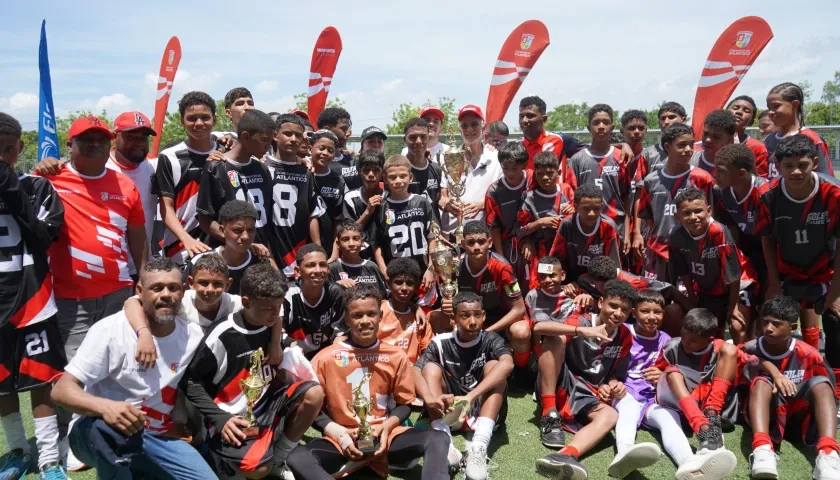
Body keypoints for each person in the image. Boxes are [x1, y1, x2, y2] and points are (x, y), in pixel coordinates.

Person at [50, 258, 216, 480]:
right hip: (100, 430)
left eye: (173, 287)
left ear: (183, 290)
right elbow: (61, 391)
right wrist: (106, 408)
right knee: (110, 432)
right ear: (139, 291)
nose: (166, 294)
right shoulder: (111, 330)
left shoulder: (192, 336)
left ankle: (139, 470)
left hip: (158, 437)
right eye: (156, 288)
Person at [288, 284, 450, 479]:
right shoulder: (325, 358)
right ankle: (356, 463)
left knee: (438, 439)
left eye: (371, 314)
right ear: (347, 319)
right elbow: (314, 410)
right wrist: (340, 434)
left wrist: (386, 428)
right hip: (341, 440)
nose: (365, 321)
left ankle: (370, 462)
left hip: (385, 435)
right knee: (297, 458)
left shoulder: (396, 356)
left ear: (380, 316)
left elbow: (404, 404)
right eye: (357, 316)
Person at [184, 263, 323, 480]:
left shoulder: (270, 324)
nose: (275, 314)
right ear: (246, 303)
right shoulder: (221, 337)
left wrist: (283, 343)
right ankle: (223, 458)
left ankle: (279, 457)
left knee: (315, 393)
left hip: (267, 403)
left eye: (278, 307)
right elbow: (190, 381)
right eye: (268, 308)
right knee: (258, 470)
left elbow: (280, 325)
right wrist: (221, 419)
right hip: (233, 416)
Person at [41, 116, 147, 363]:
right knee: (75, 369)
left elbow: (138, 236)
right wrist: (43, 166)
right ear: (70, 145)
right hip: (69, 298)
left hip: (118, 293)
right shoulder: (48, 180)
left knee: (117, 363)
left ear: (110, 145)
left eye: (102, 139)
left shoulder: (125, 185)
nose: (95, 144)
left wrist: (144, 276)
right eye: (87, 139)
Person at [0, 112, 67, 479]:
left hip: (33, 301)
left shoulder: (37, 187)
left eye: (8, 150)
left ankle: (49, 458)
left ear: (19, 148)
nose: (2, 159)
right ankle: (16, 450)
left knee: (41, 380)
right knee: (1, 385)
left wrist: (11, 189)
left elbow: (43, 238)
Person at [618, 290, 736, 480]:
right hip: (625, 391)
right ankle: (624, 451)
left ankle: (690, 464)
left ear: (664, 313)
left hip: (653, 397)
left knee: (669, 418)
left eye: (657, 312)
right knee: (629, 408)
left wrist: (661, 374)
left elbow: (666, 370)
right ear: (633, 312)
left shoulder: (665, 339)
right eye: (645, 311)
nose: (651, 317)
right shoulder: (622, 331)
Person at [757, 134, 840, 386]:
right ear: (778, 166)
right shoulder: (768, 195)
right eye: (788, 166)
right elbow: (767, 239)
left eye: (802, 165)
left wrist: (835, 294)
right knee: (774, 320)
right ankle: (779, 376)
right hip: (788, 273)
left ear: (815, 162)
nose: (795, 171)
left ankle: (836, 387)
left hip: (826, 273)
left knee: (836, 319)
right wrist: (774, 283)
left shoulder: (834, 193)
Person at [533, 280, 636, 479]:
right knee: (556, 337)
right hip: (560, 382)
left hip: (587, 393)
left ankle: (565, 455)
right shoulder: (581, 321)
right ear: (600, 303)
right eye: (613, 306)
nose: (618, 313)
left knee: (611, 415)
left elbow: (614, 374)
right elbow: (539, 328)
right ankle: (549, 413)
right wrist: (580, 331)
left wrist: (613, 384)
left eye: (624, 310)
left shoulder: (625, 336)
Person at [34, 111, 161, 273]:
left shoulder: (152, 168)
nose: (138, 143)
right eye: (130, 137)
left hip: (130, 271)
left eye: (143, 138)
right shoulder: (94, 165)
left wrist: (145, 273)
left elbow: (138, 233)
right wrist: (48, 165)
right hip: (72, 275)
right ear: (115, 138)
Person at [414, 291, 514, 480]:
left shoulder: (490, 339)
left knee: (495, 366)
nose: (473, 321)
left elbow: (508, 364)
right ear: (453, 318)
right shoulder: (440, 342)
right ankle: (445, 445)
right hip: (450, 413)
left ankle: (479, 448)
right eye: (465, 315)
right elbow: (415, 370)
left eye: (477, 315)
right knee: (429, 368)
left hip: (483, 411)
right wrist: (429, 398)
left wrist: (471, 397)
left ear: (484, 316)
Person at [742, 296, 840, 479]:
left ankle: (828, 455)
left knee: (822, 384)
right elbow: (742, 363)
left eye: (776, 324)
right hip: (767, 417)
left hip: (799, 418)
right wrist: (774, 373)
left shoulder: (808, 353)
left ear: (793, 328)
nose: (768, 328)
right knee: (761, 381)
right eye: (765, 322)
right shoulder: (751, 348)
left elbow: (828, 389)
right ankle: (763, 449)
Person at [653, 308, 748, 457]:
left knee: (730, 349)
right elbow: (656, 372)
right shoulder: (671, 347)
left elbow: (751, 363)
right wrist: (659, 374)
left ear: (709, 340)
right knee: (672, 373)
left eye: (692, 341)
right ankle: (703, 428)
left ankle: (711, 416)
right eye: (683, 336)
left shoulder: (719, 347)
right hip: (683, 409)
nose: (686, 343)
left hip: (717, 407)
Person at [670, 187, 757, 343]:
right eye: (686, 213)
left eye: (698, 211)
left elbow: (733, 274)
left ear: (709, 211)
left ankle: (742, 356)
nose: (693, 217)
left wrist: (733, 307)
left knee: (737, 325)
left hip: (738, 285)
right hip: (707, 288)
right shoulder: (676, 235)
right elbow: (682, 270)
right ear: (677, 216)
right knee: (708, 331)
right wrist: (691, 296)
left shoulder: (718, 232)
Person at [440, 221, 529, 372]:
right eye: (471, 242)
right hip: (473, 319)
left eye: (481, 242)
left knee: (521, 331)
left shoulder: (502, 267)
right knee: (436, 318)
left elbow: (519, 309)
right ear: (463, 244)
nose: (476, 247)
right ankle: (452, 366)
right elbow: (450, 297)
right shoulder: (455, 266)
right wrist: (447, 304)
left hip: (502, 320)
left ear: (489, 242)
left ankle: (522, 372)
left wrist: (486, 333)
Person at [633, 123, 714, 283]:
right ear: (667, 147)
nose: (688, 149)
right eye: (682, 145)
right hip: (658, 251)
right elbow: (648, 217)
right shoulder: (651, 180)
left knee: (687, 295)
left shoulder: (702, 178)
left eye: (691, 144)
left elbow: (710, 218)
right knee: (655, 295)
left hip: (690, 251)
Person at [154, 91, 219, 264]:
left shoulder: (226, 152)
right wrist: (186, 238)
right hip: (181, 250)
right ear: (182, 121)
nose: (199, 123)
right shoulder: (169, 157)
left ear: (214, 119)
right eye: (191, 118)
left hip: (221, 247)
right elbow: (166, 208)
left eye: (205, 117)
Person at [196, 109, 275, 249]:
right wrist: (244, 243)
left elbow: (267, 218)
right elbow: (205, 221)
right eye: (264, 139)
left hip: (259, 252)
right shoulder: (216, 167)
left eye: (270, 140)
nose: (268, 145)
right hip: (229, 254)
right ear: (245, 136)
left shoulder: (262, 169)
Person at [524, 256, 577, 448]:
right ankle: (548, 410)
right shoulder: (532, 296)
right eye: (542, 276)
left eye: (552, 275)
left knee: (559, 336)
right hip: (544, 356)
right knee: (552, 336)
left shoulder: (574, 296)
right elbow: (533, 331)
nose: (547, 280)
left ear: (562, 275)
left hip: (570, 358)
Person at [265, 113, 326, 276]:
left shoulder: (306, 172)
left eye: (298, 135)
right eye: (287, 134)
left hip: (297, 253)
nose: (293, 139)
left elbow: (312, 214)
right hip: (270, 252)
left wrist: (318, 249)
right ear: (275, 135)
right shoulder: (262, 168)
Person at [372, 155, 437, 296]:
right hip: (396, 276)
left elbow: (432, 237)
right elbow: (376, 244)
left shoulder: (422, 203)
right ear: (385, 178)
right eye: (392, 177)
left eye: (402, 176)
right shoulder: (382, 207)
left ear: (410, 177)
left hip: (422, 273)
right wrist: (384, 270)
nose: (398, 181)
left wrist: (431, 269)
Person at [567, 104, 632, 242]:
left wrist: (627, 233)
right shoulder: (577, 160)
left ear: (612, 127)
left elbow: (627, 198)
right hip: (585, 228)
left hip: (616, 228)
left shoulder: (621, 157)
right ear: (588, 127)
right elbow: (572, 197)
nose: (601, 126)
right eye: (596, 122)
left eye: (606, 122)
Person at [712, 143, 771, 290]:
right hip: (745, 248)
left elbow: (771, 238)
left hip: (769, 251)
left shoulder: (765, 193)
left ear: (742, 173)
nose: (715, 175)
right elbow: (730, 226)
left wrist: (772, 280)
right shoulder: (720, 192)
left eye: (721, 171)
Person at [439, 105, 502, 237]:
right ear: (460, 130)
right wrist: (448, 204)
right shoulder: (449, 158)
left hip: (484, 236)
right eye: (464, 125)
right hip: (454, 233)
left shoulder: (496, 158)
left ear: (483, 128)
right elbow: (442, 196)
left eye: (474, 124)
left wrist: (483, 204)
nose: (469, 129)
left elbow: (504, 194)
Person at [518, 151, 575, 289]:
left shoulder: (566, 190)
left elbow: (579, 219)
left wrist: (573, 211)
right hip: (542, 252)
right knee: (545, 286)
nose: (545, 177)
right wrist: (540, 222)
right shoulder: (529, 198)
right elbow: (520, 230)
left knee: (566, 287)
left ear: (559, 172)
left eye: (549, 173)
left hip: (566, 252)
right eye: (540, 174)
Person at [187, 200, 270, 295]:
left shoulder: (261, 262)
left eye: (250, 230)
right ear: (222, 230)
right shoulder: (198, 262)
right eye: (237, 230)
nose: (245, 237)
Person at [281, 244, 346, 359]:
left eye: (322, 265)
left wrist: (328, 358)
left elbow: (341, 333)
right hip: (294, 356)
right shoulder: (287, 295)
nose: (318, 270)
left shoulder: (335, 292)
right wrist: (296, 352)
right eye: (310, 265)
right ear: (297, 271)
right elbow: (278, 333)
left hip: (325, 355)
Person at [549, 183, 622, 283]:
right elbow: (555, 260)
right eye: (586, 209)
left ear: (601, 207)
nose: (591, 214)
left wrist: (585, 284)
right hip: (570, 283)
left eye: (596, 209)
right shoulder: (567, 224)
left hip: (598, 283)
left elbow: (613, 267)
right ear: (576, 207)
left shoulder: (609, 227)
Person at [765, 82, 834, 179]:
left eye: (776, 106)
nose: (770, 112)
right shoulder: (769, 139)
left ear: (795, 105)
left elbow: (827, 179)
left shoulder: (813, 139)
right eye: (769, 108)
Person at [484, 141, 531, 281]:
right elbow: (494, 227)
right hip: (507, 247)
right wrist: (501, 258)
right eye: (505, 168)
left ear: (524, 165)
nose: (510, 173)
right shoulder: (494, 191)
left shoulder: (533, 180)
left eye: (514, 168)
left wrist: (530, 240)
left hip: (532, 245)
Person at [379, 258, 433, 363]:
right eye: (398, 282)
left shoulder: (420, 318)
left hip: (413, 369)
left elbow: (429, 351)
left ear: (415, 286)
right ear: (389, 284)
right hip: (383, 368)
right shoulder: (377, 311)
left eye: (409, 283)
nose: (404, 288)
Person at [328, 220, 388, 299]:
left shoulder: (372, 267)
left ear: (362, 242)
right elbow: (325, 294)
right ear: (338, 244)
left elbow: (382, 296)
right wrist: (337, 285)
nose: (351, 244)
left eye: (356, 238)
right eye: (345, 239)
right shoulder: (332, 268)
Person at [309, 130, 345, 260]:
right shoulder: (302, 174)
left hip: (327, 246)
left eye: (330, 150)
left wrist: (335, 252)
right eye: (321, 148)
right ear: (310, 149)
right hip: (301, 244)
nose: (325, 153)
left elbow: (337, 219)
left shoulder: (338, 180)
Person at [342, 150, 384, 260]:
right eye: (366, 170)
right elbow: (348, 232)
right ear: (360, 171)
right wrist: (367, 212)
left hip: (385, 254)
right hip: (358, 256)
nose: (371, 175)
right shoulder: (350, 198)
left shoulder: (389, 197)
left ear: (382, 173)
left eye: (376, 170)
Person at [402, 118, 444, 222]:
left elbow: (438, 199)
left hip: (433, 230)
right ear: (404, 139)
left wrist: (447, 204)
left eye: (423, 137)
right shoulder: (398, 169)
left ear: (428, 138)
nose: (418, 141)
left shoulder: (435, 168)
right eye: (413, 137)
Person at [726, 95, 770, 178]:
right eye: (735, 108)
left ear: (751, 122)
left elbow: (762, 182)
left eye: (746, 111)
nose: (739, 112)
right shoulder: (711, 141)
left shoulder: (758, 148)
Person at [319, 107, 360, 190]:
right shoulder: (310, 164)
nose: (348, 133)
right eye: (344, 129)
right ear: (327, 130)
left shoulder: (354, 161)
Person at [696, 109, 736, 177]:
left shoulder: (735, 168)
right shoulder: (688, 159)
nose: (708, 140)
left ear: (730, 140)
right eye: (705, 134)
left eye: (716, 137)